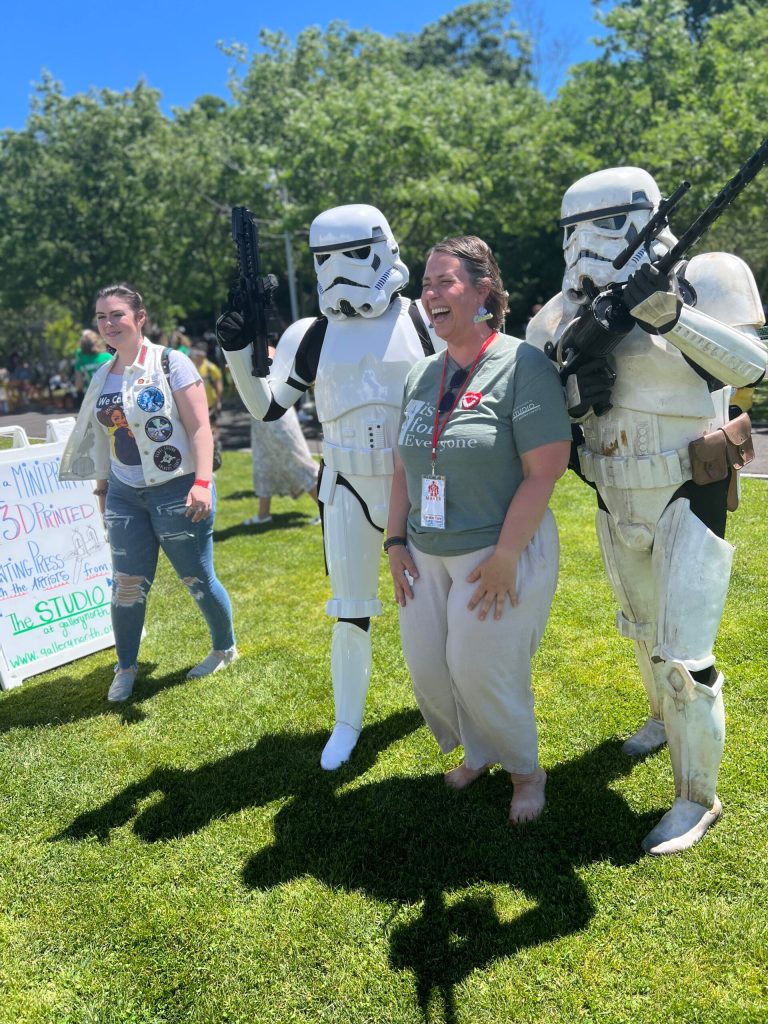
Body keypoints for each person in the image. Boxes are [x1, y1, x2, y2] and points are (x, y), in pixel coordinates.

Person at [527, 166, 768, 854]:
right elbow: (544, 395)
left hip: (688, 487)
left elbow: (752, 368)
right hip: (611, 488)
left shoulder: (706, 277)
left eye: (603, 225)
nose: (585, 247)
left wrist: (672, 315)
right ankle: (659, 721)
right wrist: (576, 391)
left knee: (686, 662)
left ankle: (698, 799)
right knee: (638, 628)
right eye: (574, 232)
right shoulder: (561, 309)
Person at [216, 204, 438, 770]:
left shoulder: (423, 320)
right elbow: (268, 406)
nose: (339, 271)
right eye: (325, 259)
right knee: (351, 610)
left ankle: (447, 704)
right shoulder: (308, 334)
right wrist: (238, 352)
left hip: (418, 481)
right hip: (343, 483)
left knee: (438, 602)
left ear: (384, 248)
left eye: (354, 254)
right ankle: (347, 721)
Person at [387, 235, 572, 823]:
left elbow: (545, 470)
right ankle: (480, 748)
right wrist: (394, 542)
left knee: (482, 667)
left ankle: (525, 770)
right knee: (431, 667)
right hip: (424, 548)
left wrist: (506, 556)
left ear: (482, 289)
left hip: (496, 549)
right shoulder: (421, 373)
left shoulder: (522, 364)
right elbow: (402, 466)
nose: (431, 294)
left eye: (445, 282)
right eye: (426, 284)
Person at [59, 283, 237, 701]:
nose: (108, 323)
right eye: (101, 316)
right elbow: (103, 440)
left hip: (177, 489)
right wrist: (103, 494)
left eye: (117, 314)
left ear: (140, 318)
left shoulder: (171, 363)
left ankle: (224, 647)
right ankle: (125, 667)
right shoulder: (103, 374)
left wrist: (202, 483)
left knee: (196, 577)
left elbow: (200, 430)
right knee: (126, 584)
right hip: (124, 494)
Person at [189, 342, 224, 471]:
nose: (195, 356)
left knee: (213, 428)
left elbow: (219, 385)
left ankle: (215, 452)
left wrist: (218, 401)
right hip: (195, 406)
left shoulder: (210, 368)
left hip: (210, 404)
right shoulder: (190, 367)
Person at [73, 329, 112, 404]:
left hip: (91, 398)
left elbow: (79, 385)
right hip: (109, 396)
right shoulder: (107, 357)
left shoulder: (81, 361)